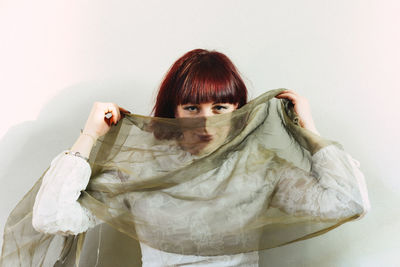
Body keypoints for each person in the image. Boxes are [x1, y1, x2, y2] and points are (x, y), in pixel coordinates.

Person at [31, 49, 370, 266]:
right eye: (192, 107)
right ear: (173, 113)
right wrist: (89, 136)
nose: (207, 121)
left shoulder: (260, 168)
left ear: (238, 111)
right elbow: (51, 218)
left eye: (220, 107)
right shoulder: (139, 172)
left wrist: (309, 130)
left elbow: (347, 203)